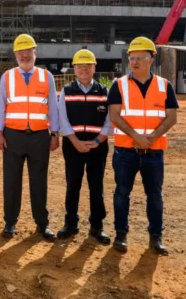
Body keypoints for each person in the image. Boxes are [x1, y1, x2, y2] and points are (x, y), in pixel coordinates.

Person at [108, 36, 179, 256]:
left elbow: (171, 117)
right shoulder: (119, 85)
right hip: (125, 152)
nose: (135, 62)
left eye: (140, 58)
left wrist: (153, 136)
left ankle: (155, 238)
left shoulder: (164, 85)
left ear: (151, 60)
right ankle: (121, 235)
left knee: (155, 196)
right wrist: (136, 136)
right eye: (132, 58)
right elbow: (115, 116)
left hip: (154, 152)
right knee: (122, 193)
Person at [0, 34, 59, 240]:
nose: (25, 55)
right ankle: (10, 222)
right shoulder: (7, 77)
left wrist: (55, 133)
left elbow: (53, 108)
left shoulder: (46, 77)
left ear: (35, 53)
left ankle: (42, 223)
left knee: (39, 182)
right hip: (13, 137)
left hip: (39, 136)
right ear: (15, 55)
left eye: (28, 51)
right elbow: (1, 107)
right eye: (21, 52)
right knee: (11, 181)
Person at [57, 49, 113, 244]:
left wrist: (98, 141)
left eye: (87, 66)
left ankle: (97, 226)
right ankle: (70, 223)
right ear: (74, 68)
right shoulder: (67, 90)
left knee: (96, 186)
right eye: (80, 66)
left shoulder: (104, 91)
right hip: (73, 145)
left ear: (94, 68)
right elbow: (62, 120)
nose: (84, 69)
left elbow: (110, 120)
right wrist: (76, 142)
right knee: (73, 184)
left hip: (98, 146)